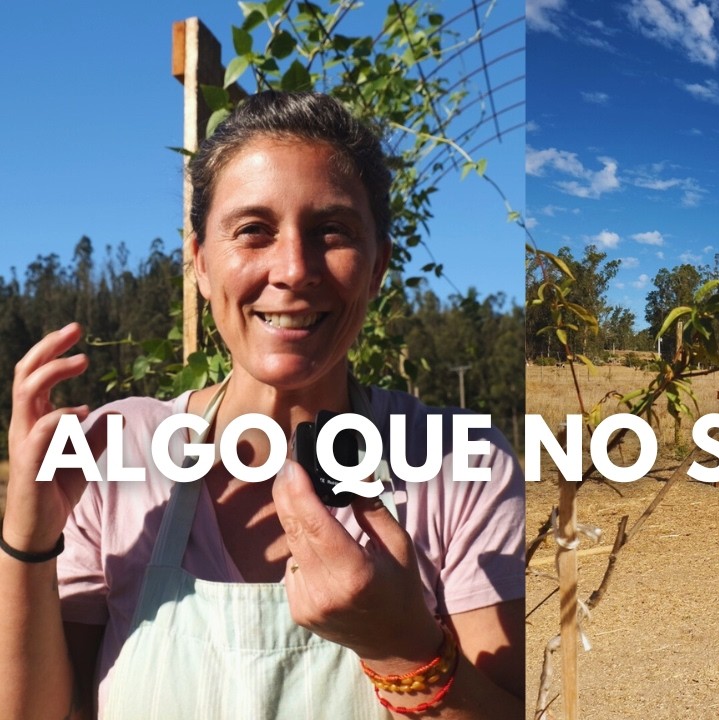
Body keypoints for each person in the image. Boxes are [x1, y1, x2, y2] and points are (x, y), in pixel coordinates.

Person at [0, 92, 524, 718]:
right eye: (253, 231)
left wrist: (401, 649)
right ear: (198, 263)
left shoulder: (459, 466)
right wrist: (28, 540)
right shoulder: (117, 453)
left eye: (332, 231)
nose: (295, 268)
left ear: (378, 266)